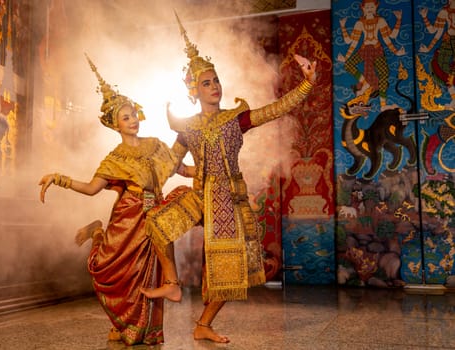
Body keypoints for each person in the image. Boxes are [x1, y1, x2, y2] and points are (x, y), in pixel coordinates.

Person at [141, 13, 317, 343]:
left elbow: (276, 109)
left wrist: (307, 83)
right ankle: (172, 283)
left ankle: (203, 324)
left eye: (217, 80)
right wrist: (150, 184)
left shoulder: (236, 119)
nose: (215, 86)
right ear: (194, 90)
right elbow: (168, 163)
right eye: (206, 82)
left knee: (229, 273)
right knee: (156, 224)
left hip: (227, 199)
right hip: (199, 193)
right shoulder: (187, 126)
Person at [38, 54, 190, 346]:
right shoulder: (114, 159)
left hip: (153, 215)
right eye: (125, 117)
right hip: (127, 217)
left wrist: (213, 174)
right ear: (114, 124)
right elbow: (92, 188)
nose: (132, 120)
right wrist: (59, 178)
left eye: (133, 114)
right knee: (114, 271)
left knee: (147, 275)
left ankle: (145, 330)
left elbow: (178, 168)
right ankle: (97, 230)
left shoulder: (155, 144)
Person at [337, 0, 404, 110]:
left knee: (384, 74)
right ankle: (365, 84)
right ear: (363, 8)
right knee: (348, 65)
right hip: (364, 50)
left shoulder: (380, 21)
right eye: (367, 7)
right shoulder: (360, 23)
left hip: (377, 50)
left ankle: (383, 105)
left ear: (376, 8)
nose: (369, 9)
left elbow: (390, 37)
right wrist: (343, 27)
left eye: (372, 7)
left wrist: (398, 20)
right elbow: (351, 41)